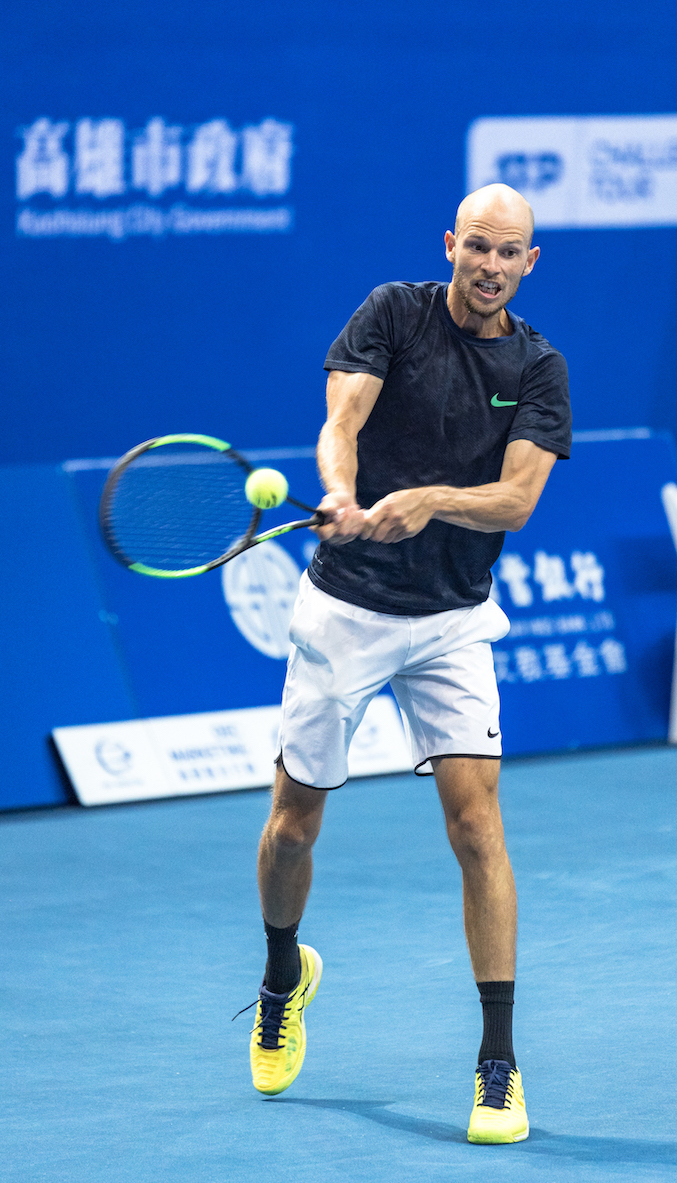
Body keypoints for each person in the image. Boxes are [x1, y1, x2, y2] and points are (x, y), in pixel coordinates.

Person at [248, 183, 571, 1143]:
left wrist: (431, 499)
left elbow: (517, 500)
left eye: (508, 252)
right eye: (477, 246)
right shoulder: (393, 312)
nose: (490, 265)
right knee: (293, 827)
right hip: (345, 610)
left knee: (478, 829)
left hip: (452, 622)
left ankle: (498, 1063)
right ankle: (282, 973)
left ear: (528, 263)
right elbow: (342, 423)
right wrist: (342, 493)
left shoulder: (539, 367)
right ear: (451, 245)